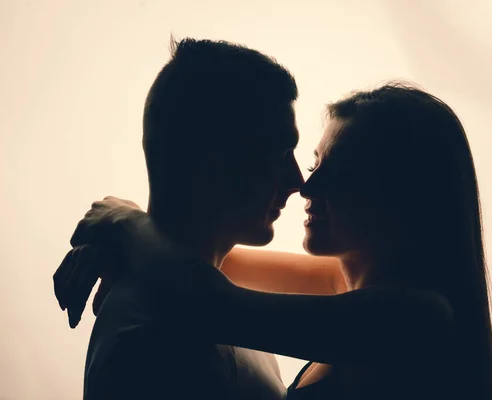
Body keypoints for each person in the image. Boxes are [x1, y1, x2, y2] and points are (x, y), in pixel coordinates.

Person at [56, 82, 492, 399]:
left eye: (342, 172)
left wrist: (124, 222)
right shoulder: (347, 284)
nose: (308, 188)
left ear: (404, 197)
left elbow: (212, 305)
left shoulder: (418, 319)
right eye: (316, 163)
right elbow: (202, 256)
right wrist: (121, 234)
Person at [54, 37, 306, 400]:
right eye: (280, 153)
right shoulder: (152, 344)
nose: (298, 181)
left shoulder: (202, 293)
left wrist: (130, 228)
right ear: (209, 162)